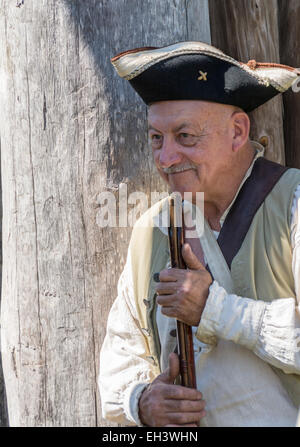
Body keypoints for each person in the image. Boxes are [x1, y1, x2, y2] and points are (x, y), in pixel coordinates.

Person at [99, 41, 300, 427]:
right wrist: (142, 402)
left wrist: (215, 310)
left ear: (238, 132)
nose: (165, 158)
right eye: (156, 138)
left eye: (185, 136)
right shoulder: (152, 231)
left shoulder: (293, 203)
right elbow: (121, 360)